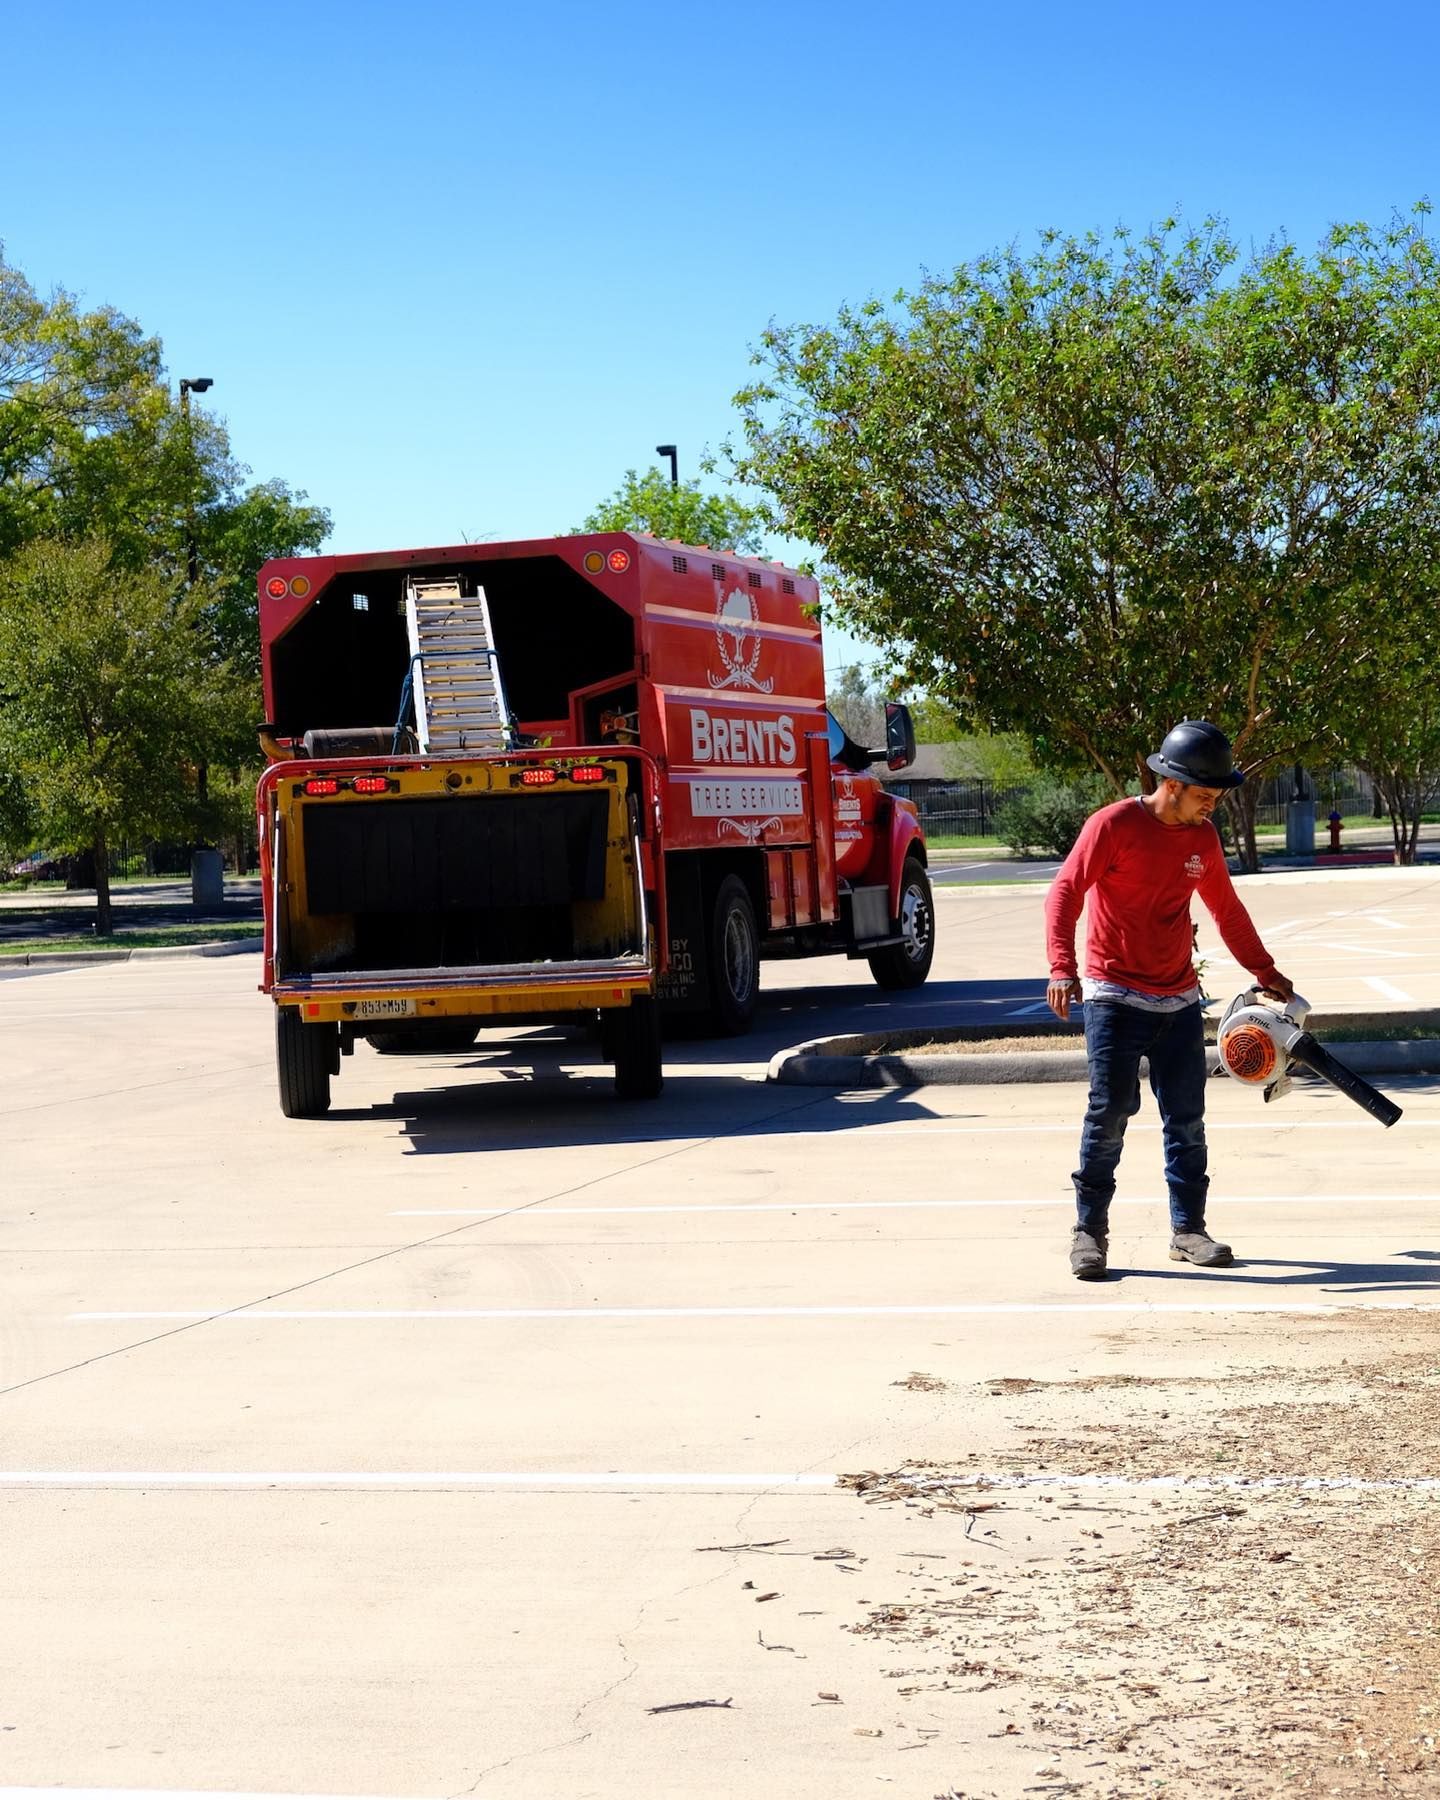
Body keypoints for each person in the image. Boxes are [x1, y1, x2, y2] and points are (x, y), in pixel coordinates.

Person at [1045, 720, 1294, 1281]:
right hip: (1113, 994)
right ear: (1173, 784)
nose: (1212, 807)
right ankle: (1089, 1232)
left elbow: (1226, 910)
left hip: (1179, 998)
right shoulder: (1113, 825)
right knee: (1109, 1112)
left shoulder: (1202, 839)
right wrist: (1063, 968)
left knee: (1187, 1120)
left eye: (1216, 797)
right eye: (1205, 796)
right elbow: (1064, 893)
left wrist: (1266, 971)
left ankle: (1188, 1231)